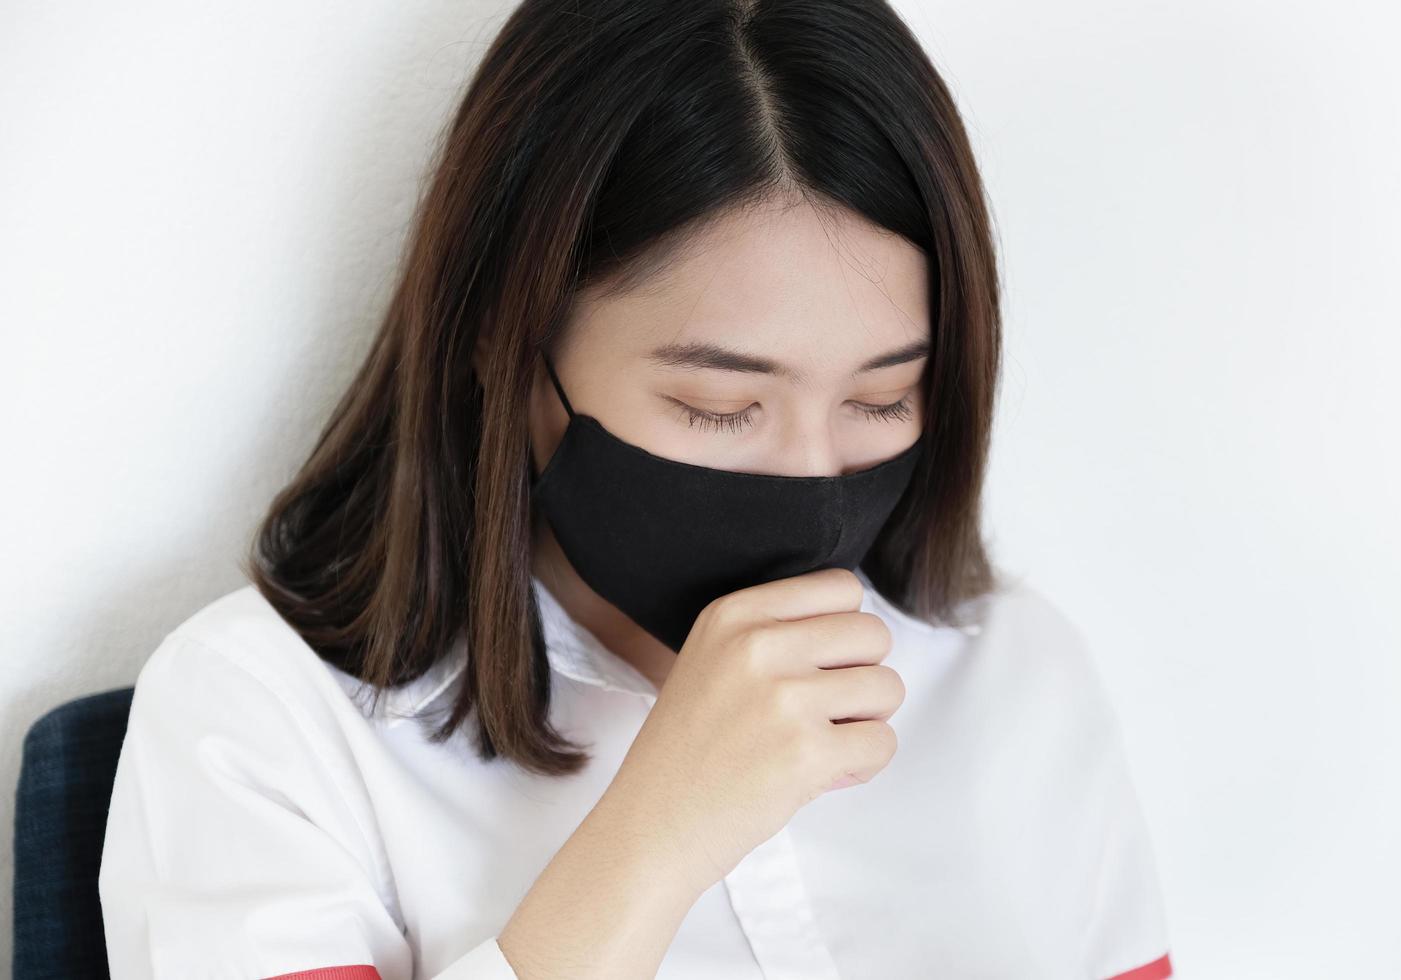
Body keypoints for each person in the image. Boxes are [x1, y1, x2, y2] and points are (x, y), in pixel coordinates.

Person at [98, 0, 1174, 977]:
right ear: (508, 345)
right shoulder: (259, 721)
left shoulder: (1014, 671)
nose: (812, 480)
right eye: (719, 406)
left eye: (884, 397)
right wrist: (655, 841)